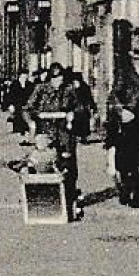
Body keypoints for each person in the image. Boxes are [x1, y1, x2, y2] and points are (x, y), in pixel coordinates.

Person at [25, 63, 84, 220]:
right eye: (55, 78)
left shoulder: (69, 90)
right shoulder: (41, 89)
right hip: (46, 132)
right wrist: (32, 122)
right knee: (46, 164)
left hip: (64, 132)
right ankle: (46, 198)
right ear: (50, 78)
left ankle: (70, 197)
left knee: (68, 165)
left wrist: (73, 114)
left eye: (61, 77)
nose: (59, 81)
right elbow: (28, 109)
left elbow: (80, 107)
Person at [104, 47, 139, 208]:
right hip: (127, 121)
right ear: (133, 59)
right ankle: (127, 191)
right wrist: (122, 111)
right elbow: (113, 96)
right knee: (128, 159)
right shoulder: (125, 75)